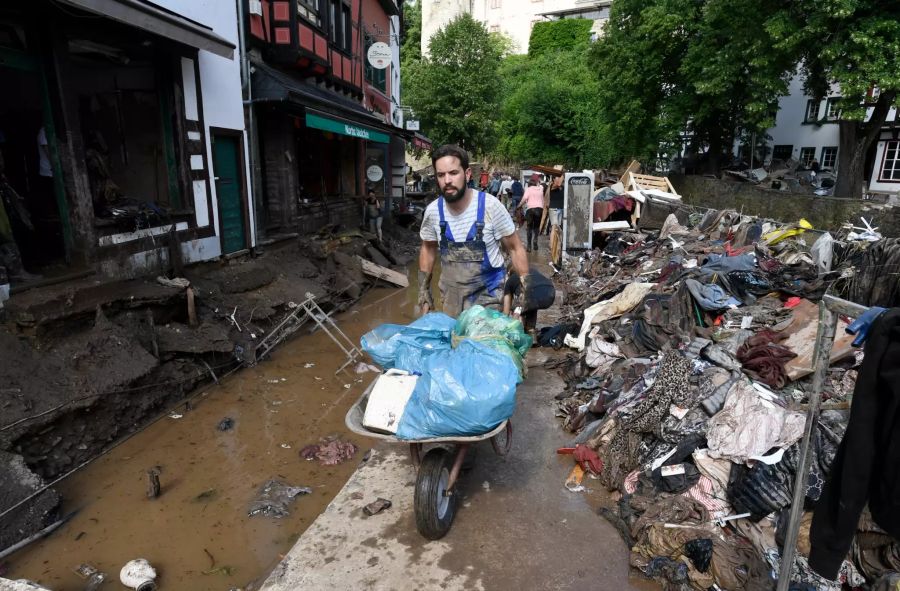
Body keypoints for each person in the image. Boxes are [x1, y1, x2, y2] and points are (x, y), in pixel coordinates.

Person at [418, 144, 530, 317]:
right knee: (456, 342)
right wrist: (423, 288)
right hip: (451, 300)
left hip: (489, 299)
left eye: (453, 173)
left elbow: (515, 248)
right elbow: (428, 247)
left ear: (467, 174)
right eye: (441, 175)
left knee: (481, 342)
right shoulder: (433, 212)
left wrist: (524, 292)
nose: (447, 180)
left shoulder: (490, 207)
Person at [502, 269, 555, 333]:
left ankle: (515, 333)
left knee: (517, 309)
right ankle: (531, 332)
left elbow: (506, 311)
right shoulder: (532, 270)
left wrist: (503, 326)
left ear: (509, 273)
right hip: (550, 292)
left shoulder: (510, 281)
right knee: (532, 307)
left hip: (530, 292)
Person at [519, 173, 545, 252]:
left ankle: (529, 246)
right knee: (536, 227)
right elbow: (541, 186)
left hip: (530, 210)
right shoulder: (541, 188)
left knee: (529, 228)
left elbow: (524, 199)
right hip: (539, 209)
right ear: (537, 182)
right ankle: (535, 240)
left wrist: (519, 205)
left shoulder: (528, 189)